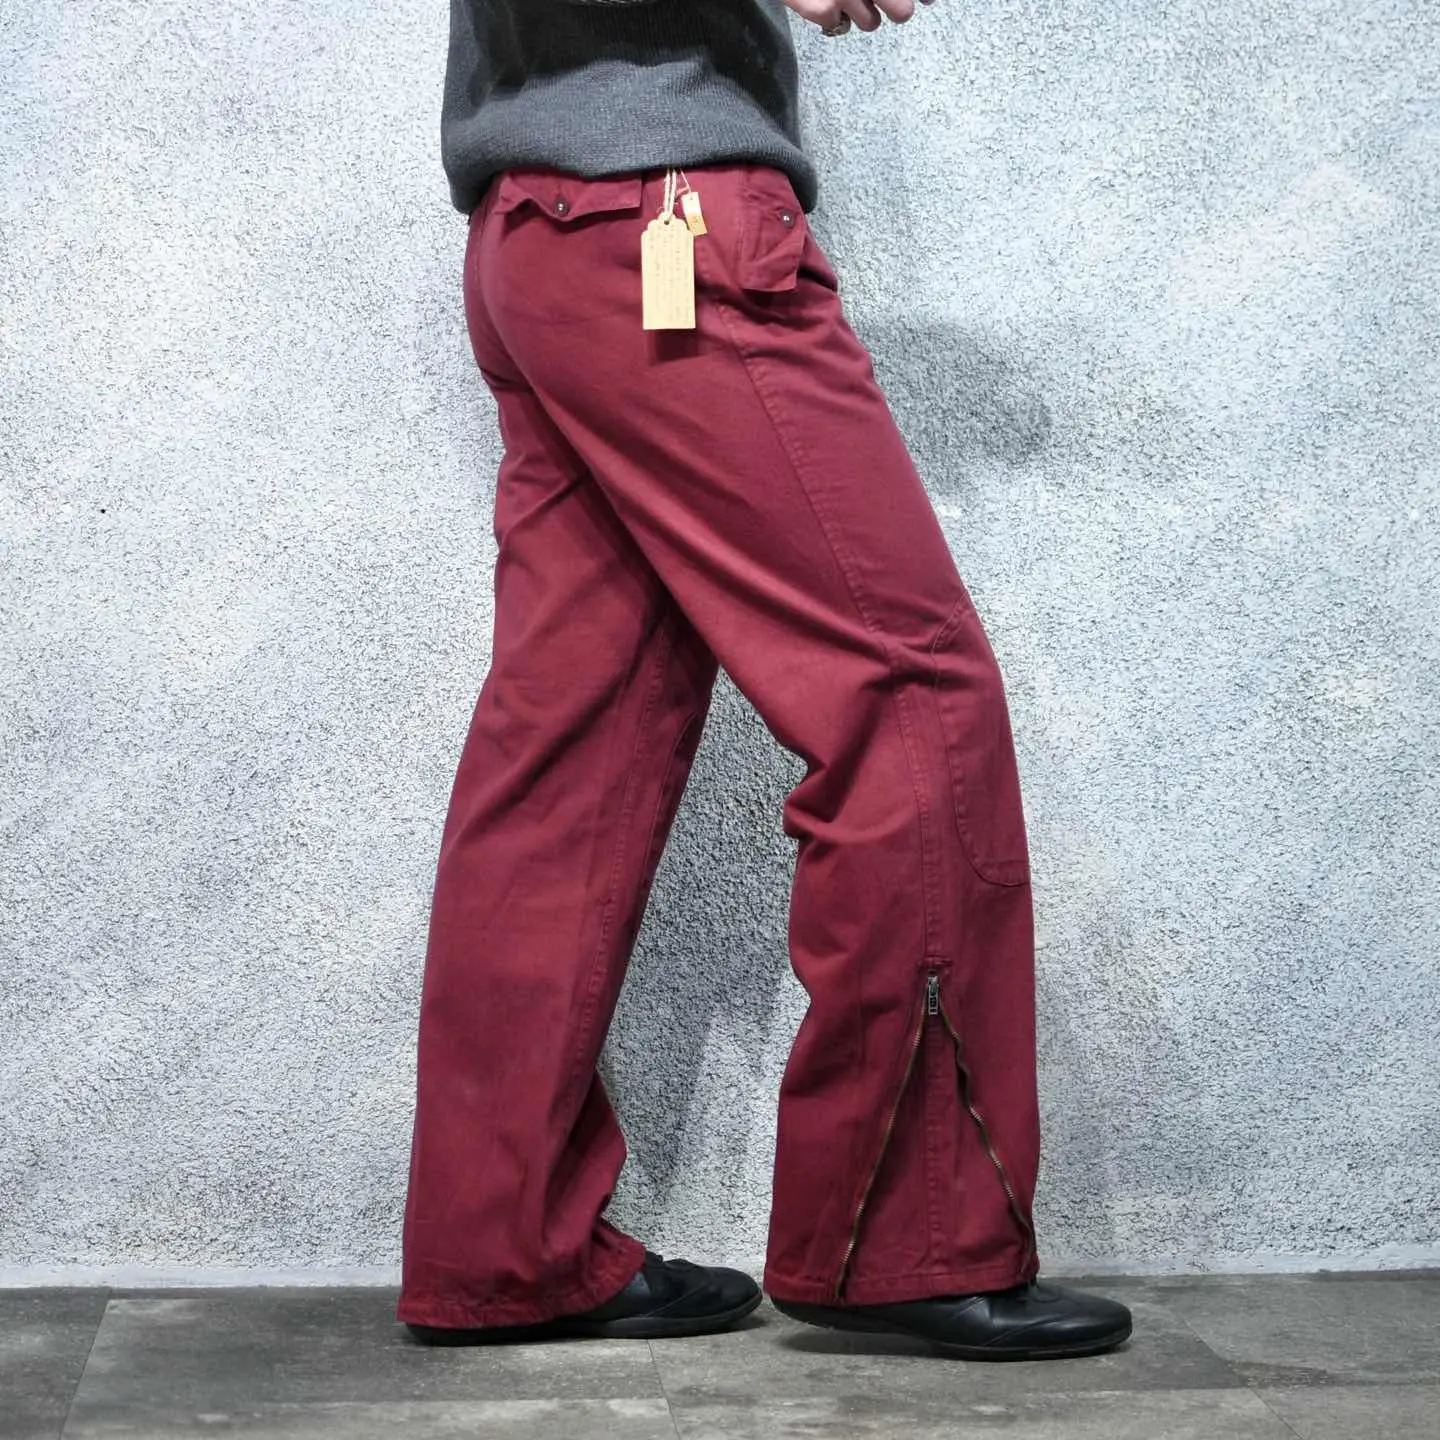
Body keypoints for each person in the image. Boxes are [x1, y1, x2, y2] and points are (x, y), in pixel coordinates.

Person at [397, 0, 1133, 1361]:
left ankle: (501, 1248)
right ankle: (904, 1242)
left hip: (543, 243)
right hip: (663, 227)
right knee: (907, 695)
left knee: (567, 759)